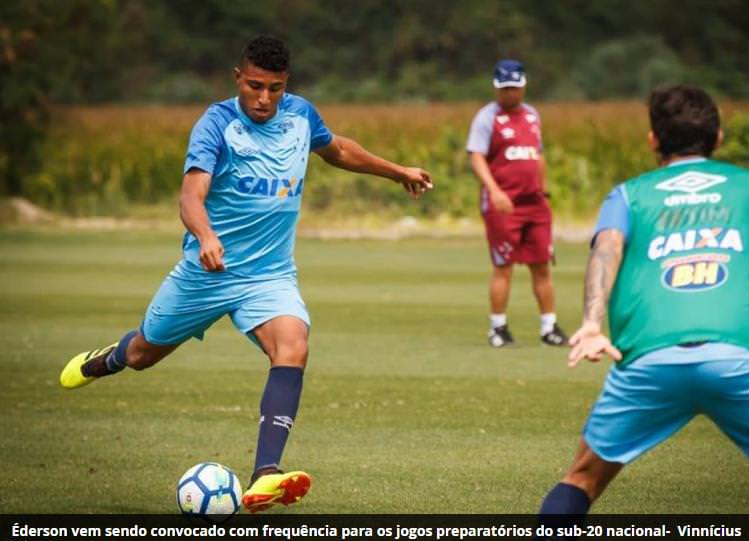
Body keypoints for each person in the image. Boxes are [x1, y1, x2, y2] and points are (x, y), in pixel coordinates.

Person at [59, 36, 433, 513]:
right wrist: (207, 236)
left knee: (293, 346)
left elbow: (337, 149)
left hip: (270, 276)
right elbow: (191, 196)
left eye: (274, 89)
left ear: (286, 85)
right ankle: (107, 359)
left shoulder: (300, 115)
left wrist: (396, 169)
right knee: (143, 353)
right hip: (206, 272)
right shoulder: (216, 124)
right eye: (255, 86)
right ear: (238, 77)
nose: (263, 98)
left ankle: (266, 476)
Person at [530, 84, 749, 541]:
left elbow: (607, 247)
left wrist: (593, 322)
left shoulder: (629, 193)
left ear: (654, 140)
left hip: (651, 360)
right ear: (718, 137)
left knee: (581, 480)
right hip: (740, 357)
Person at [466, 59, 567, 348]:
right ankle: (498, 327)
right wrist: (494, 191)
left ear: (523, 86)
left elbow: (538, 154)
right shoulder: (487, 117)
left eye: (514, 88)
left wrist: (544, 192)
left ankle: (549, 327)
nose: (510, 94)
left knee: (541, 264)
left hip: (534, 203)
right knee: (504, 265)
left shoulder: (533, 115)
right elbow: (476, 156)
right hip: (503, 204)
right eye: (505, 89)